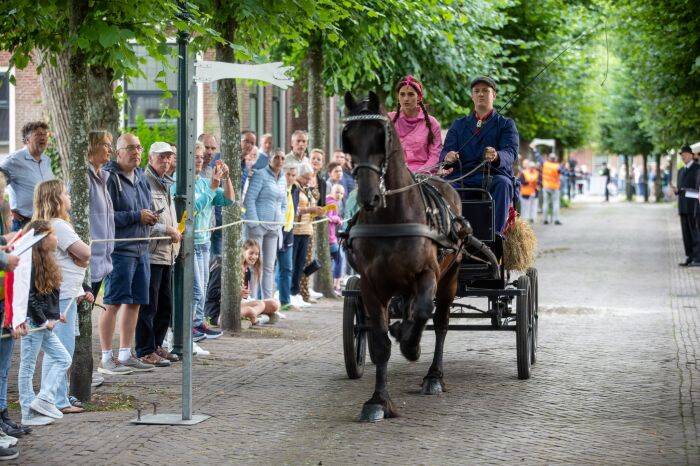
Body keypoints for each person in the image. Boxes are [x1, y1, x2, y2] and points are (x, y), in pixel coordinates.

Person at [31, 180, 92, 416]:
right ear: (56, 199)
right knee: (62, 349)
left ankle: (56, 395)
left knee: (56, 347)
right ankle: (54, 397)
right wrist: (82, 259)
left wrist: (79, 259)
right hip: (64, 295)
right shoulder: (60, 226)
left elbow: (79, 257)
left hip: (63, 292)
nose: (69, 197)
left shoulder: (46, 225)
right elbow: (86, 253)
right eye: (65, 193)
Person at [98, 133, 156, 375]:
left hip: (142, 248)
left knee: (135, 303)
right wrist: (136, 216)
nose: (136, 152)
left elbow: (147, 207)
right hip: (120, 250)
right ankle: (106, 357)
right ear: (118, 152)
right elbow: (104, 217)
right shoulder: (109, 178)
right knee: (112, 302)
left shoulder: (141, 176)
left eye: (139, 147)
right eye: (131, 148)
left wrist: (152, 216)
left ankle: (125, 353)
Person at [441, 76, 519, 233]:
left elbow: (511, 153)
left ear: (494, 95)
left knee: (503, 184)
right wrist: (447, 157)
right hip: (463, 177)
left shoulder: (506, 124)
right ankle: (449, 235)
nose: (481, 94)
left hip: (492, 176)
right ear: (472, 96)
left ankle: (495, 236)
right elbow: (445, 151)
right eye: (476, 91)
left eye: (486, 91)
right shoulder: (459, 124)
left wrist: (497, 155)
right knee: (444, 186)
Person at [13, 220, 72, 426]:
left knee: (63, 358)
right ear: (41, 240)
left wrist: (54, 316)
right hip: (33, 324)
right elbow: (28, 297)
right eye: (52, 234)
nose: (56, 238)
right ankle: (27, 413)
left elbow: (49, 296)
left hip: (43, 324)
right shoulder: (28, 264)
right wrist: (43, 320)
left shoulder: (49, 262)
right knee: (27, 367)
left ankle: (44, 398)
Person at [135, 142, 181, 366]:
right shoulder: (145, 182)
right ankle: (144, 349)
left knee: (165, 305)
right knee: (149, 304)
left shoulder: (167, 183)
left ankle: (157, 345)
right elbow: (146, 220)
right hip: (152, 253)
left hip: (168, 253)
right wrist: (167, 230)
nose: (166, 161)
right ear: (151, 158)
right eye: (161, 157)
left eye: (169, 157)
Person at [189, 142, 234, 340]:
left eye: (201, 157)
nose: (199, 161)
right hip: (191, 243)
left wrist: (226, 178)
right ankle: (190, 328)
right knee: (196, 291)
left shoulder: (203, 181)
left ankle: (198, 324)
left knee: (203, 288)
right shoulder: (181, 182)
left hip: (204, 242)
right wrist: (213, 187)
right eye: (195, 157)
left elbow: (228, 200)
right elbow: (192, 210)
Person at [243, 150, 287, 300]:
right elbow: (249, 199)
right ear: (270, 159)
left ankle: (268, 303)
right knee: (254, 266)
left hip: (274, 228)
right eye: (277, 157)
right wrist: (255, 224)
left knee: (269, 267)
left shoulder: (283, 178)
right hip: (259, 227)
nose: (280, 160)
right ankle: (251, 300)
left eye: (282, 158)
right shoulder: (260, 174)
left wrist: (280, 221)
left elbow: (284, 203)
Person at [0, 122, 54, 231]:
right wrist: (9, 209)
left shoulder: (46, 160)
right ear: (27, 140)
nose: (43, 137)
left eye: (45, 134)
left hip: (46, 220)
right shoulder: (14, 160)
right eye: (38, 134)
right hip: (24, 223)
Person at [388, 75, 443, 173]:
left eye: (410, 94)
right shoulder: (388, 120)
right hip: (394, 175)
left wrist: (419, 173)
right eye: (402, 94)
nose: (406, 99)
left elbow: (435, 156)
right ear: (398, 97)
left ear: (419, 97)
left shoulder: (432, 123)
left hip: (422, 177)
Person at [291, 162, 324, 307]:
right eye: (305, 177)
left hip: (306, 229)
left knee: (300, 264)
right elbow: (295, 209)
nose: (307, 180)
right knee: (292, 263)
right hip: (295, 230)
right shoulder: (295, 187)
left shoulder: (306, 188)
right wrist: (311, 209)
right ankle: (290, 292)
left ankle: (296, 292)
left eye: (308, 178)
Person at [276, 158, 300, 312]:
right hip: (275, 229)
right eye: (288, 174)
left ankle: (285, 300)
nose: (290, 177)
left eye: (293, 175)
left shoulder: (295, 189)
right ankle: (262, 300)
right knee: (269, 267)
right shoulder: (278, 187)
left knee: (287, 267)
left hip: (289, 231)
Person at [240, 240, 282, 325]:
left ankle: (253, 315)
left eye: (256, 254)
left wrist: (244, 296)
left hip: (244, 302)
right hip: (236, 304)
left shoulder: (247, 270)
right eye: (251, 253)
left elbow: (245, 297)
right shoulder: (237, 268)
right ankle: (254, 318)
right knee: (260, 304)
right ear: (243, 252)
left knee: (275, 303)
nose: (254, 256)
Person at [671, 145, 700, 266]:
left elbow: (697, 190)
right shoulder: (681, 171)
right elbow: (680, 189)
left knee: (695, 232)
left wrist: (683, 190)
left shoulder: (698, 169)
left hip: (694, 207)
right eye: (682, 155)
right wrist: (676, 190)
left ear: (691, 155)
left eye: (685, 154)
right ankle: (689, 256)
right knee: (686, 233)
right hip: (683, 206)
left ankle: (697, 258)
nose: (683, 157)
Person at [326, 184, 345, 295]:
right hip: (330, 238)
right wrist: (337, 219)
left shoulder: (333, 202)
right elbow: (328, 217)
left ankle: (336, 284)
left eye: (342, 193)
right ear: (332, 191)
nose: (339, 195)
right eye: (337, 192)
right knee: (339, 258)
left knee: (337, 259)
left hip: (331, 236)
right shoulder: (331, 203)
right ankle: (335, 285)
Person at [542, 153, 562, 225]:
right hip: (555, 187)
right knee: (555, 203)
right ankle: (556, 219)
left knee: (546, 203)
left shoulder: (545, 164)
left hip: (546, 186)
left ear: (549, 158)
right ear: (555, 159)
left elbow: (538, 158)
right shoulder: (557, 166)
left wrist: (535, 150)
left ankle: (545, 219)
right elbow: (563, 172)